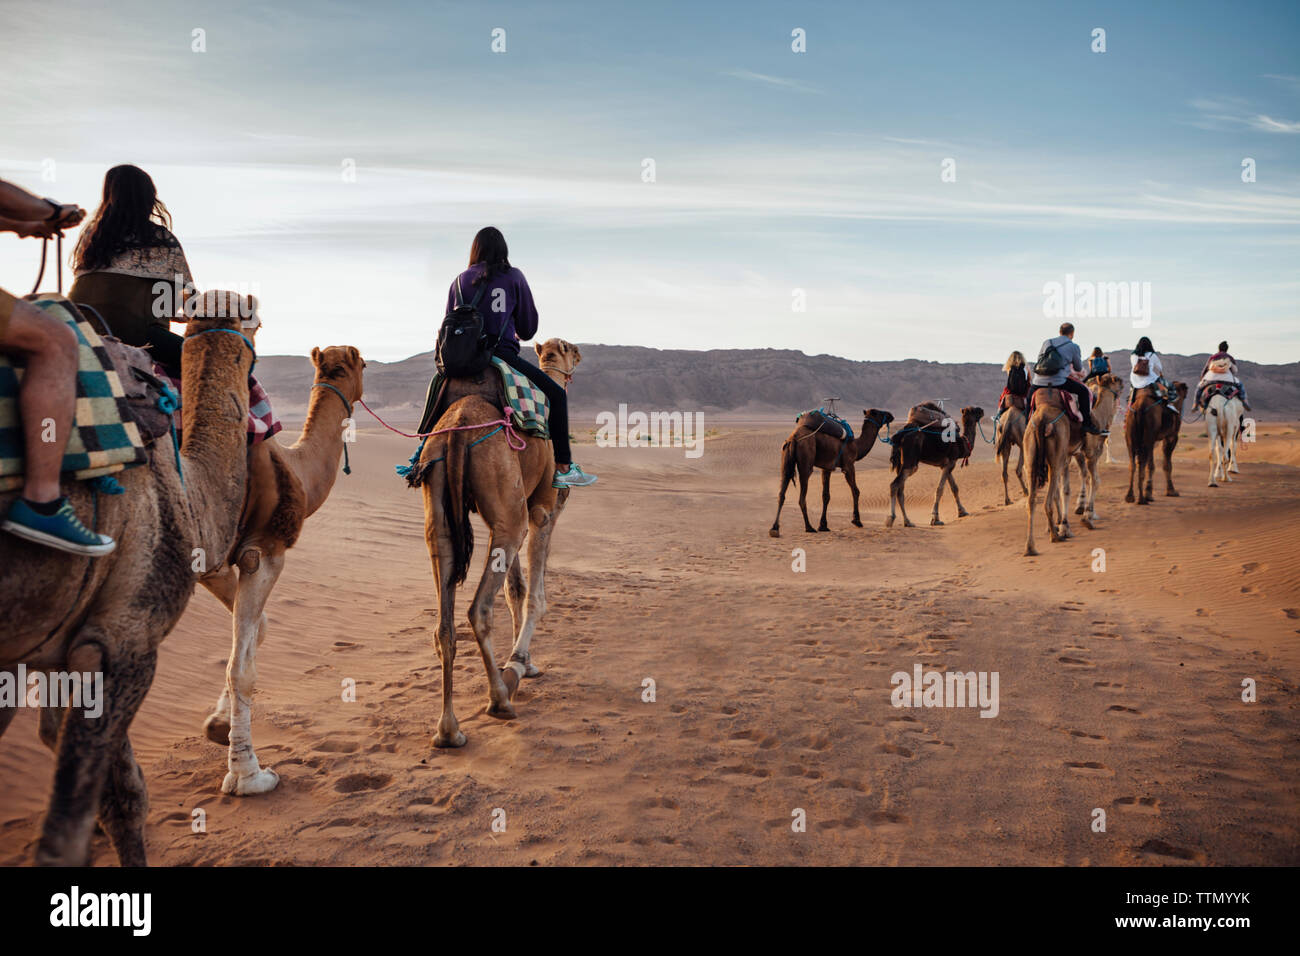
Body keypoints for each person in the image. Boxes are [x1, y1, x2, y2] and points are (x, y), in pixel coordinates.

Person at [0, 177, 116, 555]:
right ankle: (42, 498)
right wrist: (48, 210)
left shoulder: (94, 243)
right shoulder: (164, 245)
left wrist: (23, 225)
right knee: (56, 341)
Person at [442, 227, 595, 489]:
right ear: (503, 250)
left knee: (437, 399)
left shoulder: (458, 282)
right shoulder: (513, 277)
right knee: (556, 396)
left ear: (474, 250)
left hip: (461, 362)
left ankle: (420, 455)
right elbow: (528, 329)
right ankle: (563, 468)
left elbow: (447, 324)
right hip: (502, 356)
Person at [68, 165, 195, 376]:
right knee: (213, 361)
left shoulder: (92, 238)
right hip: (140, 336)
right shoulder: (161, 239)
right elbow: (187, 303)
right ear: (149, 198)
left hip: (80, 330)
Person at [1025, 322, 1104, 434]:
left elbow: (1039, 360)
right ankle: (1086, 424)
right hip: (1059, 381)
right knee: (1083, 392)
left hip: (1039, 381)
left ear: (1060, 332)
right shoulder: (1073, 347)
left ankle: (1026, 426)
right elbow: (1078, 367)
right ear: (1072, 334)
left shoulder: (1047, 342)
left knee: (1029, 398)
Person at [1195, 340, 1250, 411]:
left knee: (1199, 388)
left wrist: (1202, 379)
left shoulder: (1213, 357)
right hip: (1228, 381)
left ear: (1219, 348)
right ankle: (1244, 401)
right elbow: (1235, 371)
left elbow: (1205, 370)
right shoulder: (1230, 358)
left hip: (1211, 380)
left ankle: (1196, 404)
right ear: (1227, 349)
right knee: (1240, 386)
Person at [1129, 335, 1166, 405]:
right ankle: (1165, 401)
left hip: (1135, 379)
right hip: (1148, 379)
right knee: (1161, 387)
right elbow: (1160, 367)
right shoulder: (1152, 355)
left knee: (1132, 388)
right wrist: (1160, 373)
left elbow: (1134, 366)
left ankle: (1130, 402)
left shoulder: (1133, 355)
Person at [997, 350, 1028, 417]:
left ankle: (999, 414)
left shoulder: (1010, 369)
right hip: (1023, 394)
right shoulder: (1025, 369)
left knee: (1002, 399)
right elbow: (1027, 381)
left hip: (1010, 393)